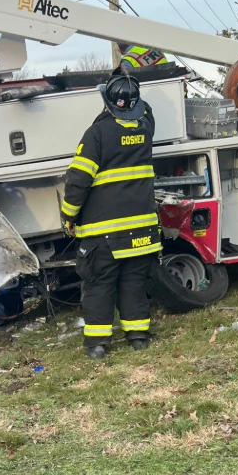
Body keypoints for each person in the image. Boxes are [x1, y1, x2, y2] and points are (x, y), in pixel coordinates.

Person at [61, 75, 160, 359]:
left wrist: (68, 215)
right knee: (134, 283)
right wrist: (130, 80)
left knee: (99, 285)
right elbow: (146, 110)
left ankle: (98, 344)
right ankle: (138, 336)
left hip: (103, 235)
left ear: (106, 103)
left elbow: (78, 179)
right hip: (142, 231)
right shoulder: (146, 130)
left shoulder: (97, 134)